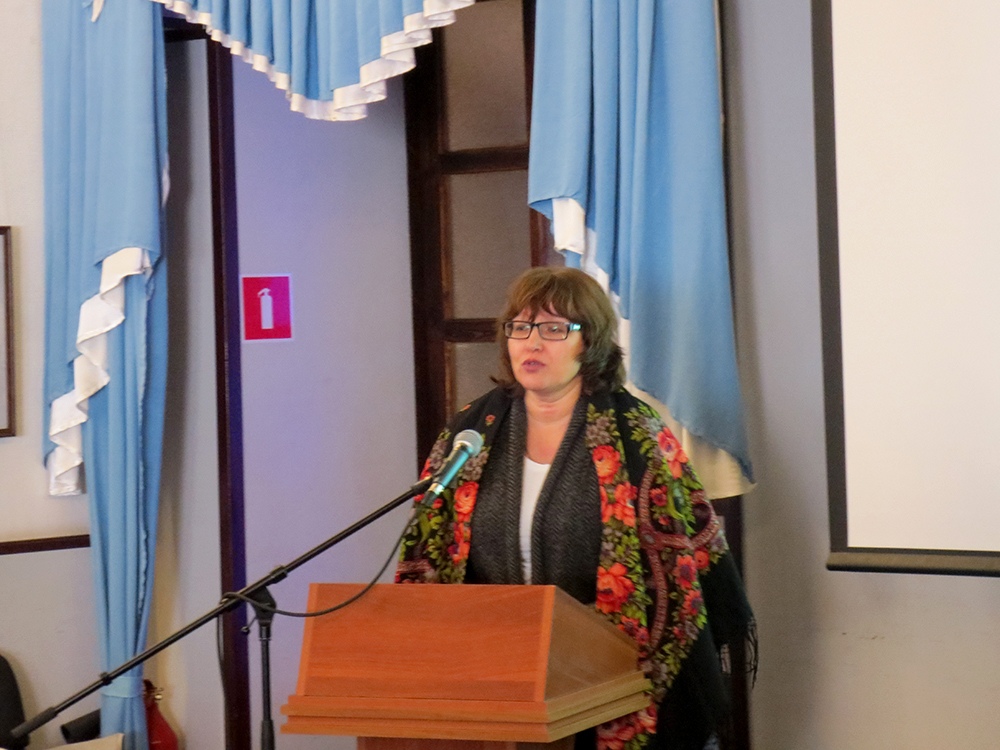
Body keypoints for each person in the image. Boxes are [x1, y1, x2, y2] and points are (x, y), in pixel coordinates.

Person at [396, 267, 754, 750]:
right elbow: (430, 552)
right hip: (490, 674)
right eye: (520, 327)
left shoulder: (638, 436)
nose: (532, 342)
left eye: (553, 328)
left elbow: (676, 571)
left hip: (607, 673)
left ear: (591, 342)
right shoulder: (470, 432)